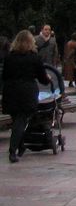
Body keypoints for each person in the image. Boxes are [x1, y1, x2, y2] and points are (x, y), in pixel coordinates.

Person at [2, 30, 51, 162]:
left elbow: (5, 75)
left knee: (16, 120)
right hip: (26, 92)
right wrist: (48, 79)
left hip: (10, 91)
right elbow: (42, 78)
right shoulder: (34, 57)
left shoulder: (9, 57)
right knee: (21, 120)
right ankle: (13, 151)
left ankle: (21, 145)